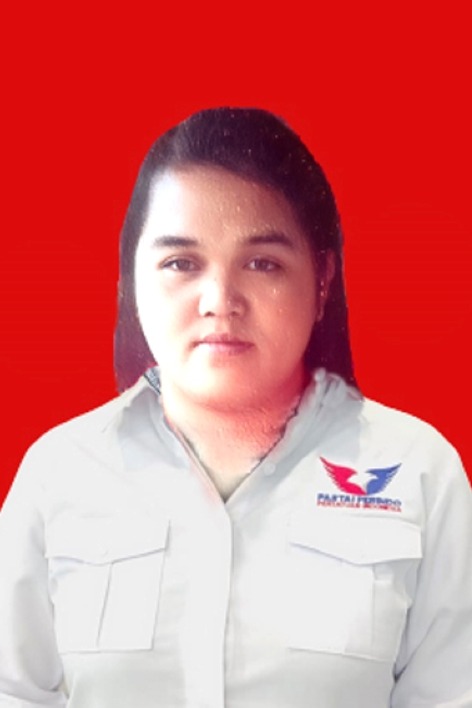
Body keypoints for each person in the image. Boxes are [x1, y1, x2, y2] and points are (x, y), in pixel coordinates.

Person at [0, 107, 471, 708]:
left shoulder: (418, 471)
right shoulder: (60, 471)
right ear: (130, 280)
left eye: (262, 263)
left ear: (322, 279)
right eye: (181, 263)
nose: (220, 300)